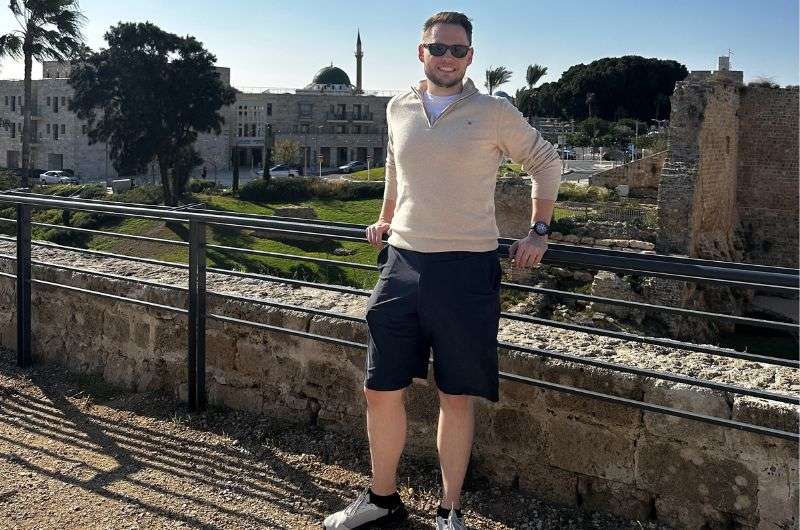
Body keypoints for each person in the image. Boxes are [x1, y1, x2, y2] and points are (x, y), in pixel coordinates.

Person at [323, 11, 560, 530]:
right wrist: (385, 218)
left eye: (458, 50)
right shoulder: (398, 106)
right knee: (379, 387)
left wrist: (539, 229)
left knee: (455, 395)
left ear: (470, 57)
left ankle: (450, 511)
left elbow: (546, 161)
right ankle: (382, 501)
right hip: (403, 263)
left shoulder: (494, 111)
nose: (447, 58)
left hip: (467, 268)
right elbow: (394, 167)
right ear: (421, 51)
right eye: (438, 48)